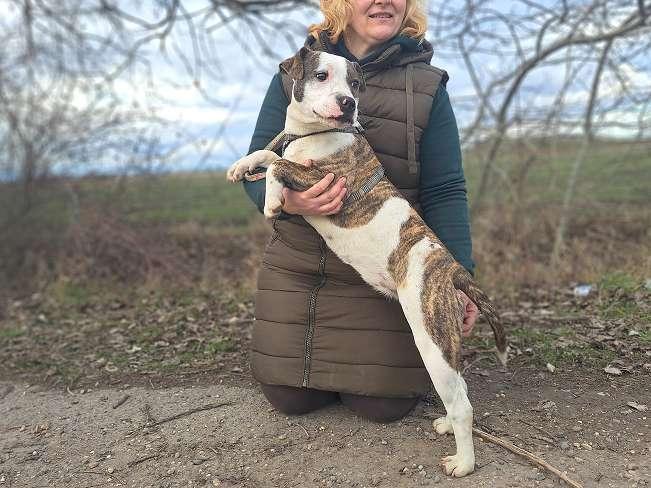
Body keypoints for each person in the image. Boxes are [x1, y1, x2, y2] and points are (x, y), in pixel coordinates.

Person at [242, 0, 478, 423]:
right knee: (290, 399)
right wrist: (289, 202)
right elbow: (254, 168)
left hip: (384, 271)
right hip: (301, 270)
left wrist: (460, 277)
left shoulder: (427, 87)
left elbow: (445, 191)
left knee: (382, 405)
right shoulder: (295, 72)